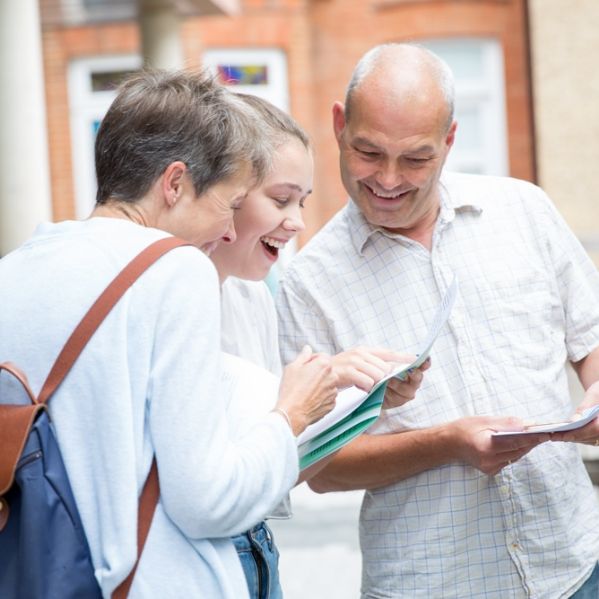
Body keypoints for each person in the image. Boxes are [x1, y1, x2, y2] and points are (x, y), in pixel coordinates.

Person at [0, 69, 340, 598]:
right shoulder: (176, 271)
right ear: (175, 182)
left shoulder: (15, 270)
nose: (230, 230)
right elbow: (210, 501)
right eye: (229, 205)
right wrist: (290, 413)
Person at [276, 43, 599, 598]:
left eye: (416, 158)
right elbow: (320, 468)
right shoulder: (307, 283)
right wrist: (446, 443)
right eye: (368, 152)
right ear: (338, 124)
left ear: (450, 139)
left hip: (572, 566)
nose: (389, 179)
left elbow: (590, 337)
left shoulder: (524, 210)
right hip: (430, 585)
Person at [210, 93, 428, 599]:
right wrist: (294, 407)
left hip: (256, 549)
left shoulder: (253, 295)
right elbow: (210, 484)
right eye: (281, 199)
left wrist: (361, 402)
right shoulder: (174, 304)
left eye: (302, 202)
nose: (298, 222)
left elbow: (284, 469)